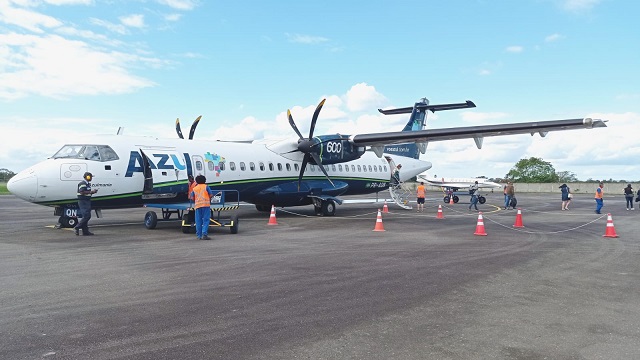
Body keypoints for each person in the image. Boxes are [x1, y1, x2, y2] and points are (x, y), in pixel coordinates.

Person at [190, 174, 214, 240]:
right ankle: (204, 234)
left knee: (198, 221)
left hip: (198, 206)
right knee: (206, 220)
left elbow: (191, 198)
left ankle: (199, 236)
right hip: (206, 205)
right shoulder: (206, 187)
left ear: (196, 181)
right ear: (204, 180)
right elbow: (211, 195)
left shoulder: (194, 188)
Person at [74, 172, 98, 236]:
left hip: (86, 200)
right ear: (86, 177)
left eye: (91, 177)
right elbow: (81, 192)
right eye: (89, 177)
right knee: (87, 216)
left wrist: (92, 192)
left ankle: (85, 231)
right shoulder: (83, 183)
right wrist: (91, 192)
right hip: (83, 201)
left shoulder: (87, 184)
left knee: (86, 216)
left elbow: (86, 192)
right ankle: (77, 227)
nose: (91, 178)